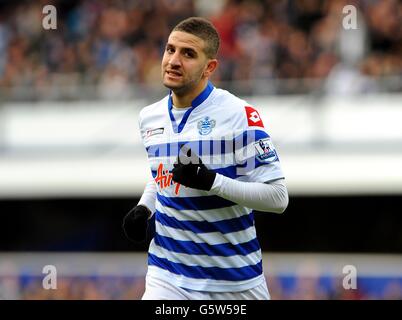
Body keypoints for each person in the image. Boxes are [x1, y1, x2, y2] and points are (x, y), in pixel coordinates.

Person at [123, 17, 288, 300]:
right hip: (167, 276)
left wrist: (212, 181)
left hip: (234, 283)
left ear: (209, 67)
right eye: (170, 49)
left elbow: (276, 198)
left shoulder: (238, 116)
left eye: (188, 54)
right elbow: (162, 176)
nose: (174, 60)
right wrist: (144, 207)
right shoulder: (149, 118)